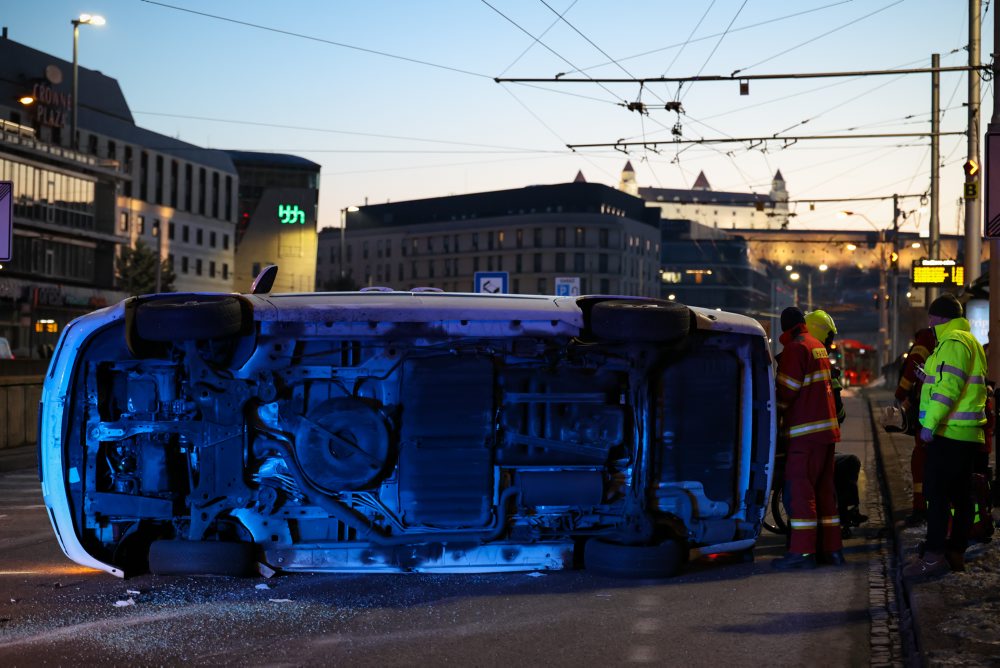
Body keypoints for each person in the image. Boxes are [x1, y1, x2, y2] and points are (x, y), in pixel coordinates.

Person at [903, 293, 988, 578]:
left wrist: (929, 426)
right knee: (961, 496)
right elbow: (950, 381)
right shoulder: (969, 341)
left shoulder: (952, 343)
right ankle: (955, 551)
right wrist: (927, 378)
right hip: (965, 434)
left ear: (940, 318)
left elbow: (948, 389)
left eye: (931, 317)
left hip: (949, 431)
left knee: (936, 495)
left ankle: (934, 555)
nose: (929, 323)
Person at [772, 307, 843, 570]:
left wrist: (772, 412)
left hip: (805, 435)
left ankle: (802, 554)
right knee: (825, 494)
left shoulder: (796, 348)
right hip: (826, 433)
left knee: (801, 493)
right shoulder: (816, 346)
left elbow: (786, 392)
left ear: (785, 328)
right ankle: (832, 551)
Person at [804, 309, 867, 535]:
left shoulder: (800, 358)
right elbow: (839, 413)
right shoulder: (824, 368)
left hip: (807, 443)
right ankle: (844, 516)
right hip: (815, 445)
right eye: (830, 337)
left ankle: (846, 514)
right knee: (848, 464)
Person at [893, 326, 937, 525]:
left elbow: (912, 367)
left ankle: (921, 507)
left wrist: (900, 394)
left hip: (928, 408)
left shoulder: (926, 338)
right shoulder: (964, 342)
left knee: (921, 457)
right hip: (955, 416)